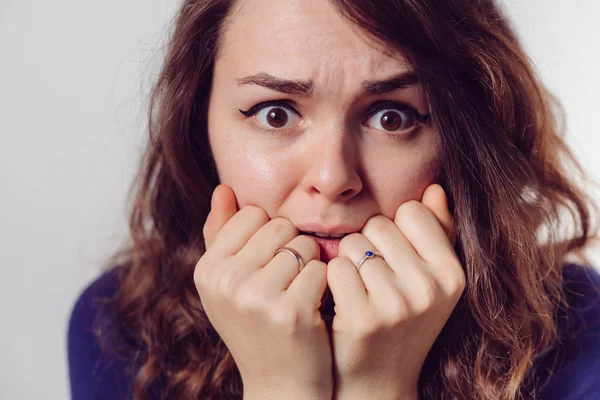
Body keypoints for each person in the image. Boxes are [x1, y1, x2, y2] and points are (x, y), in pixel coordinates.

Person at [68, 0, 600, 399]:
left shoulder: (578, 327)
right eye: (275, 113)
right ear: (198, 127)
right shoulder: (119, 327)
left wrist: (379, 386)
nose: (333, 178)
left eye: (392, 117)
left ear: (464, 140)